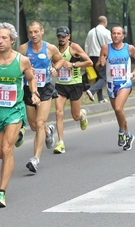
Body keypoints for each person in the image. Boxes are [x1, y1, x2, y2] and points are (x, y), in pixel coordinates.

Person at [0, 22, 40, 207]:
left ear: (12, 40)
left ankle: (1, 192)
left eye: (4, 38)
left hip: (14, 109)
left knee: (6, 149)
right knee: (0, 154)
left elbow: (31, 78)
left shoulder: (22, 61)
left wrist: (34, 93)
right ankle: (19, 134)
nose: (0, 41)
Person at [17, 20, 65, 172]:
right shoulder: (23, 48)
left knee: (39, 123)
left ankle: (35, 159)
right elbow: (16, 66)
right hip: (28, 90)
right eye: (31, 32)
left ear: (42, 31)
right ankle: (48, 130)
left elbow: (61, 60)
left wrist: (55, 68)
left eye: (36, 32)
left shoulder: (50, 48)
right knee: (33, 126)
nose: (33, 35)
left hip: (44, 89)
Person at [96, 26, 135, 151]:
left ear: (123, 36)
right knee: (118, 112)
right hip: (111, 85)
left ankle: (121, 132)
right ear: (111, 35)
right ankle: (128, 135)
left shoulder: (129, 48)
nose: (116, 35)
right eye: (114, 33)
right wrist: (101, 63)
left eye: (118, 33)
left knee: (118, 107)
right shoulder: (106, 48)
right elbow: (98, 66)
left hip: (125, 83)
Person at [53, 26, 92, 154]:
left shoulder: (74, 47)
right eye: (59, 36)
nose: (61, 39)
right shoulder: (54, 49)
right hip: (60, 85)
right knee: (59, 112)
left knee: (75, 116)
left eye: (63, 36)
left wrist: (73, 64)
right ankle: (60, 143)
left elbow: (89, 62)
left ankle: (82, 115)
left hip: (75, 84)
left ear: (69, 36)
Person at [85, 15, 112, 103]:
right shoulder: (106, 32)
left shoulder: (90, 32)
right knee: (104, 78)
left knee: (98, 77)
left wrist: (87, 58)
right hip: (101, 57)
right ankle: (91, 91)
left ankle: (101, 98)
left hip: (91, 57)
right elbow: (110, 45)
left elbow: (87, 45)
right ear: (105, 22)